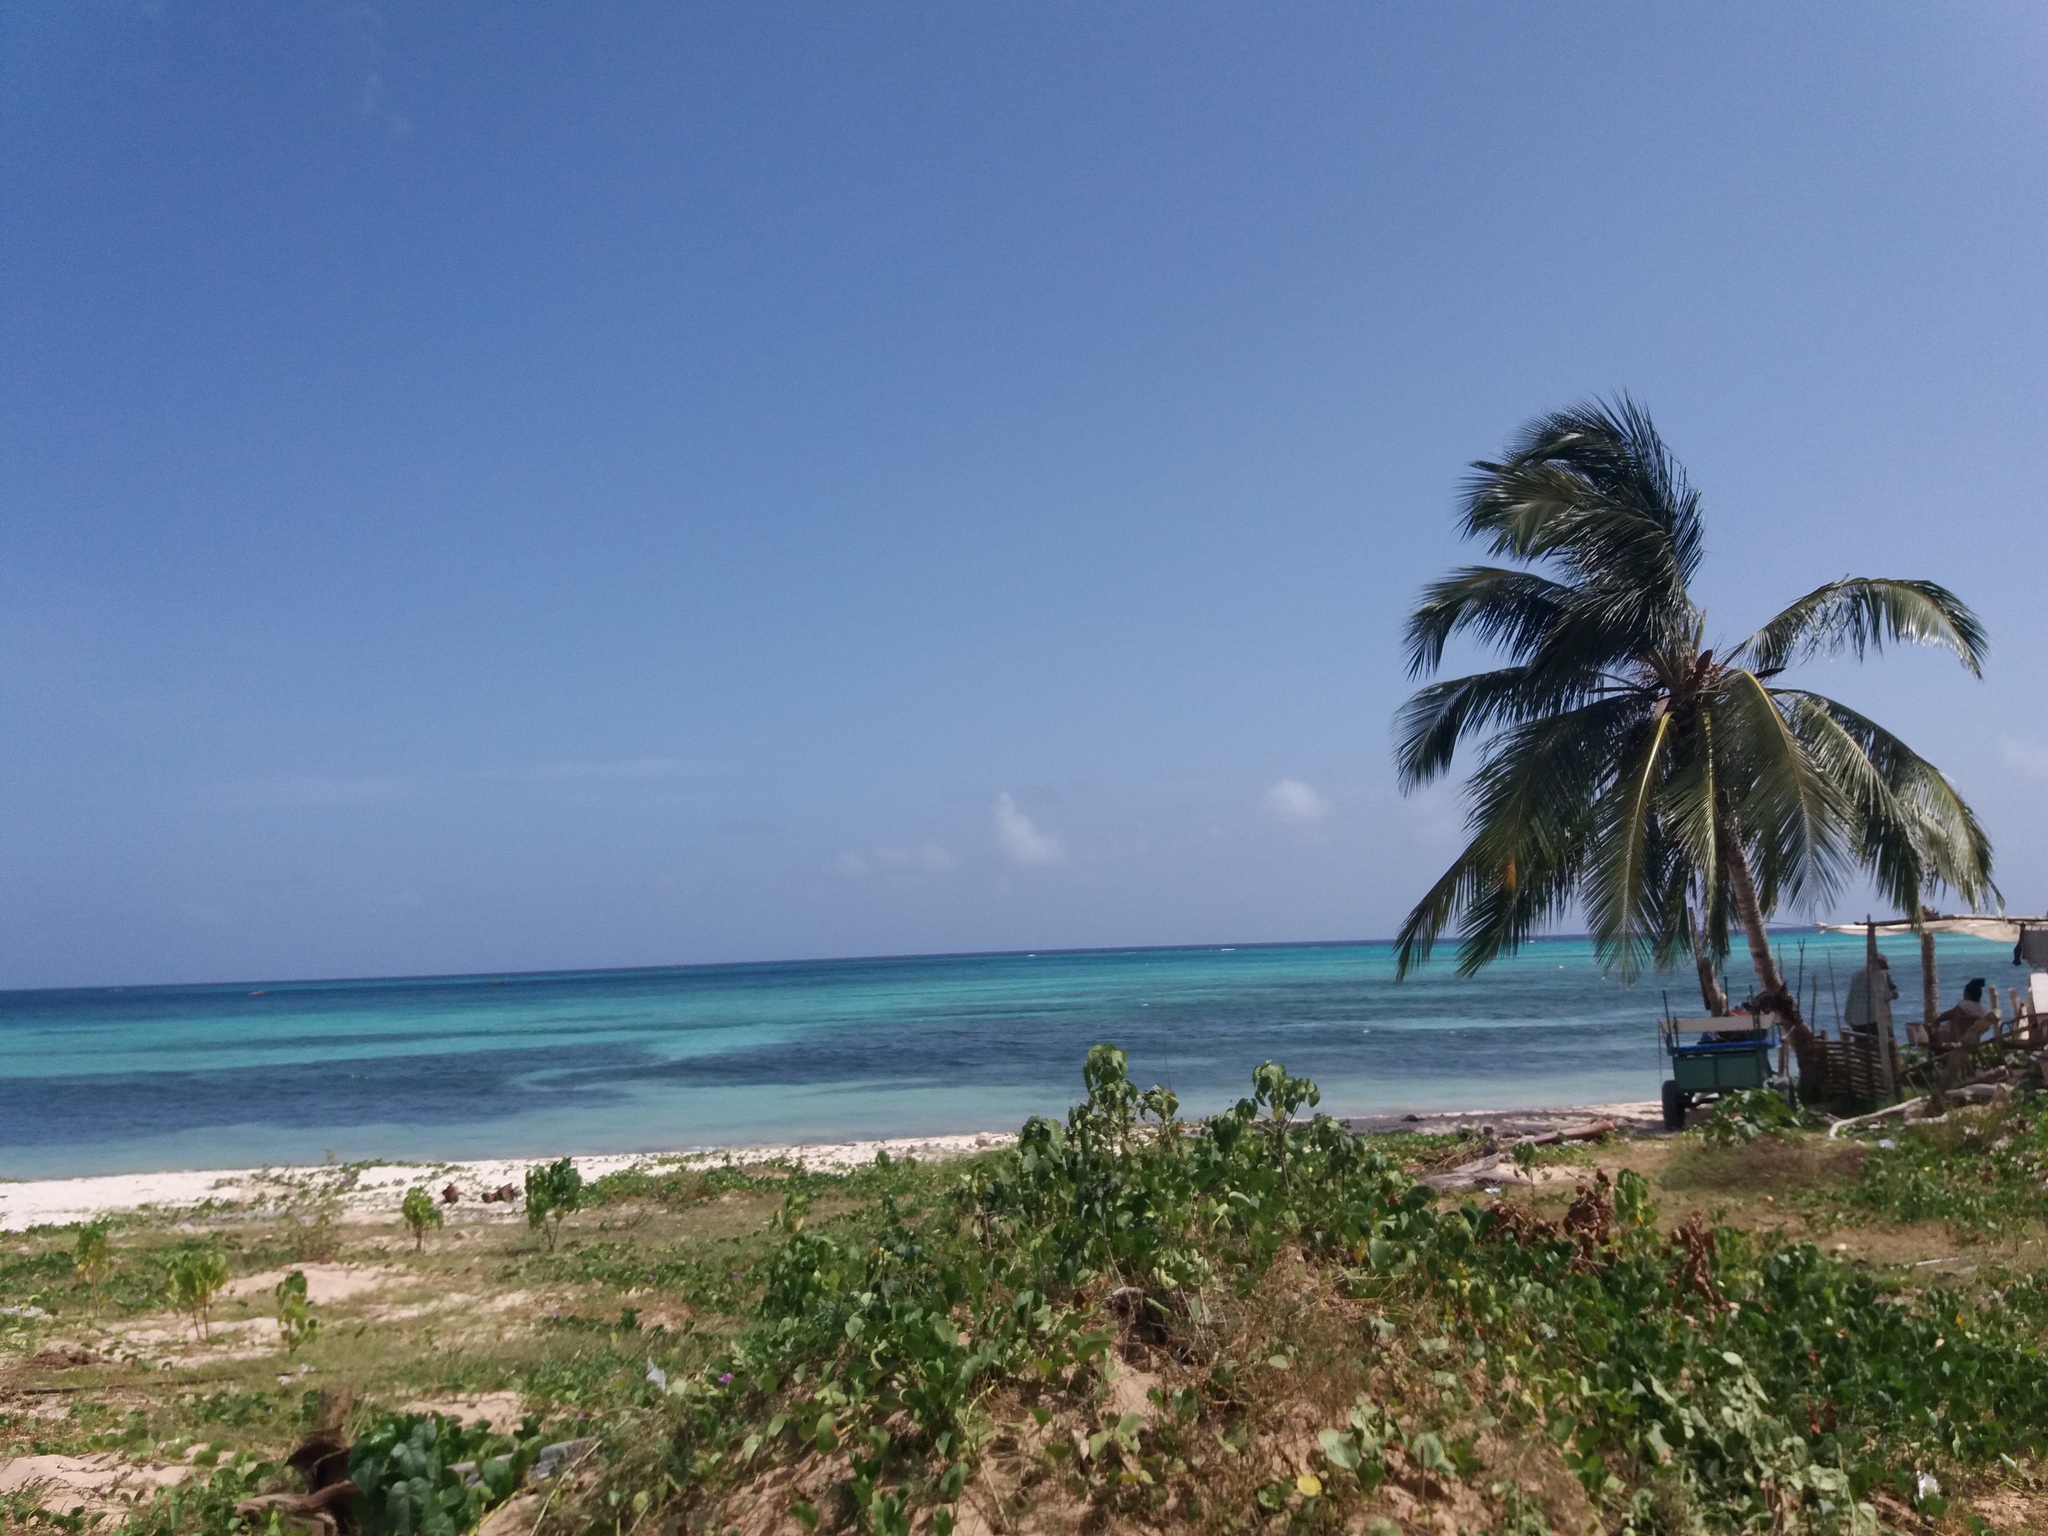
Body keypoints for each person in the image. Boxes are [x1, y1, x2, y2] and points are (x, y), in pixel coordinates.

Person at [1933, 977, 1994, 1048]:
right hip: (1972, 1040)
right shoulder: (1984, 1010)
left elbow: (1951, 1014)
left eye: (1964, 992)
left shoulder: (1964, 1004)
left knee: (1931, 1035)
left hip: (1953, 1037)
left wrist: (1937, 1020)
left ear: (1968, 994)